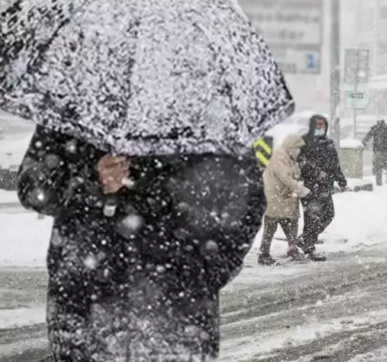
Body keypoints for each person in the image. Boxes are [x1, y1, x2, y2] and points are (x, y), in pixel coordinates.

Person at [17, 126, 264, 361]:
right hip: (84, 307)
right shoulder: (77, 103)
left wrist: (205, 271)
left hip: (178, 316)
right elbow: (32, 187)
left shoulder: (205, 108)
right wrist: (92, 179)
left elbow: (247, 201)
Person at [297, 115, 347, 261]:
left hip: (325, 187)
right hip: (310, 187)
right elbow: (300, 163)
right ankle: (309, 247)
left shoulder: (328, 143)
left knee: (328, 214)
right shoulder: (304, 142)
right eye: (318, 125)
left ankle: (305, 239)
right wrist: (315, 172)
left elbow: (334, 164)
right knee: (312, 217)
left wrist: (341, 180)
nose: (321, 127)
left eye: (323, 125)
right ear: (312, 125)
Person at [258, 134, 311, 266]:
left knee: (291, 221)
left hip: (285, 196)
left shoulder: (289, 157)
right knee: (272, 223)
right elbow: (286, 178)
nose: (299, 151)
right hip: (275, 195)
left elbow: (295, 174)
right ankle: (264, 254)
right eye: (297, 148)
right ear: (291, 147)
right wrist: (302, 190)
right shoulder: (279, 157)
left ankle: (292, 248)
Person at [363, 119, 387, 185]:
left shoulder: (375, 128)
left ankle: (379, 182)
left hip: (378, 149)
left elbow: (368, 136)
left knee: (378, 166)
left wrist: (364, 143)